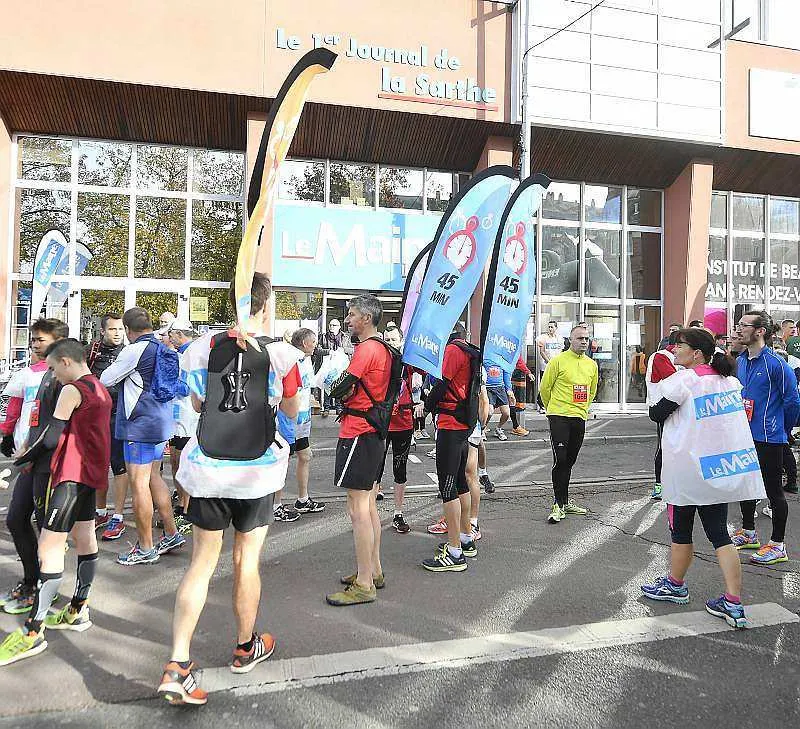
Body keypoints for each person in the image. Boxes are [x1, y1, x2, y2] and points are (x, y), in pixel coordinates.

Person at [157, 273, 302, 705]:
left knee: (201, 563)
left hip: (208, 468)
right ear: (266, 305)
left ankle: (177, 664)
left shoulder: (201, 348)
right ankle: (244, 646)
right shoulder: (281, 353)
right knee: (246, 561)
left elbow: (198, 403)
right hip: (257, 473)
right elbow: (291, 410)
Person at [642, 328, 766, 629]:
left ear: (696, 353)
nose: (674, 349)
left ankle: (676, 585)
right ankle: (733, 602)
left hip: (686, 472)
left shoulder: (685, 380)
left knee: (680, 532)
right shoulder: (729, 381)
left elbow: (656, 413)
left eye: (680, 345)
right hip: (717, 470)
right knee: (720, 535)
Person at [0, 338, 112, 665]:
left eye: (52, 368)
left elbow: (51, 437)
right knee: (85, 538)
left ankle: (33, 632)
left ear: (65, 361)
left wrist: (19, 463)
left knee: (49, 548)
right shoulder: (100, 388)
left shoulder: (72, 389)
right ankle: (77, 608)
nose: (52, 376)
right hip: (91, 476)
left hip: (69, 476)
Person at [100, 307, 185, 565]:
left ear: (128, 329)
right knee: (154, 478)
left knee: (139, 484)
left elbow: (105, 379)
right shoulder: (163, 347)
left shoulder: (134, 350)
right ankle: (171, 533)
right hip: (161, 423)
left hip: (139, 425)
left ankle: (146, 547)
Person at [326, 295, 394, 606]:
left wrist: (339, 389)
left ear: (366, 318)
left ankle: (364, 583)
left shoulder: (366, 349)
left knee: (358, 511)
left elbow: (339, 386)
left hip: (358, 431)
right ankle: (373, 571)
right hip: (372, 432)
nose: (348, 320)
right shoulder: (384, 348)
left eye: (352, 314)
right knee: (368, 507)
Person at [0, 319, 67, 615]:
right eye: (33, 339)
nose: (35, 344)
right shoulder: (32, 374)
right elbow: (23, 411)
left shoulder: (63, 378)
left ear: (58, 342)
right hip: (30, 458)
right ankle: (31, 580)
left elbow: (56, 427)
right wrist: (10, 437)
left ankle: (45, 588)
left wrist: (31, 452)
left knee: (46, 529)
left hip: (49, 463)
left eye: (41, 339)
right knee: (16, 519)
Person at [731, 311, 799, 565]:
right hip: (744, 435)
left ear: (760, 331)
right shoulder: (741, 361)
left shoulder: (776, 365)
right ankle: (748, 532)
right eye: (738, 325)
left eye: (743, 325)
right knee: (745, 485)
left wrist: (784, 430)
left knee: (773, 491)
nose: (738, 329)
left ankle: (778, 544)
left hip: (770, 437)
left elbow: (792, 401)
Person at [420, 323, 479, 573]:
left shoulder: (453, 351)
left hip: (450, 424)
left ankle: (454, 552)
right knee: (461, 483)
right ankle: (465, 538)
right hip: (463, 424)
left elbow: (443, 384)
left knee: (448, 487)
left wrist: (425, 406)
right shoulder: (469, 350)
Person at [539, 324, 598, 524]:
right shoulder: (558, 361)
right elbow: (545, 388)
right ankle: (558, 504)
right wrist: (552, 410)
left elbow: (592, 391)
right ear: (570, 340)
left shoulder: (591, 364)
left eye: (586, 338)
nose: (584, 342)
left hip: (579, 417)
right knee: (561, 460)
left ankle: (564, 502)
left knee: (570, 461)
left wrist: (583, 409)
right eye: (580, 338)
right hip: (559, 416)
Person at [274, 328, 325, 520]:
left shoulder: (308, 359)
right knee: (283, 461)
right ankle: (275, 505)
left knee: (305, 455)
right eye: (313, 342)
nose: (316, 345)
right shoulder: (290, 359)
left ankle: (302, 499)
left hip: (303, 417)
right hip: (287, 419)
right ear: (304, 343)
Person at [86, 313, 129, 541]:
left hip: (119, 417)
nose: (118, 333)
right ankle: (100, 512)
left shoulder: (129, 352)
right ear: (102, 331)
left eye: (121, 329)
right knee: (99, 466)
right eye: (113, 329)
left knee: (119, 468)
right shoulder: (91, 352)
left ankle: (118, 516)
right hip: (96, 418)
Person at [377, 324, 413, 534]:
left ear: (401, 341)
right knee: (376, 467)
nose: (390, 343)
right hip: (382, 421)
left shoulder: (408, 362)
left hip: (403, 422)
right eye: (387, 340)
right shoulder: (380, 360)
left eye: (394, 340)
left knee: (400, 468)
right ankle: (370, 515)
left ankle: (398, 513)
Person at [167, 319, 199, 535]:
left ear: (179, 334)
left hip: (188, 417)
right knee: (175, 462)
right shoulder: (180, 353)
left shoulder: (190, 354)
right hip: (177, 417)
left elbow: (187, 388)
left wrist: (166, 382)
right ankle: (181, 505)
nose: (169, 338)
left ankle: (187, 509)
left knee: (183, 463)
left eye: (171, 334)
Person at [645, 332, 680, 501]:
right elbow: (675, 382)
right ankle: (659, 484)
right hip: (663, 408)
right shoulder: (661, 356)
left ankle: (675, 483)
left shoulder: (681, 357)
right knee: (664, 447)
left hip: (679, 408)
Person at [483, 359, 514, 441]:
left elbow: (506, 374)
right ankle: (482, 428)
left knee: (506, 413)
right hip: (488, 388)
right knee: (489, 412)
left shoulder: (502, 359)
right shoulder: (485, 358)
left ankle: (498, 429)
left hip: (500, 388)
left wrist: (509, 390)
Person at [510, 355, 535, 437]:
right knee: (509, 403)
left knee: (510, 403)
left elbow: (519, 360)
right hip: (502, 376)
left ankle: (516, 426)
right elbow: (519, 361)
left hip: (502, 375)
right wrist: (528, 372)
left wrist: (528, 372)